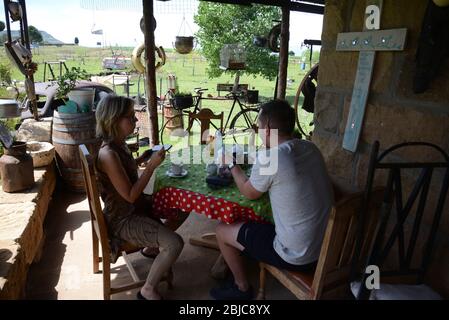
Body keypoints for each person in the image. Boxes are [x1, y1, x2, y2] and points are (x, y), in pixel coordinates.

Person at [210, 99, 334, 300]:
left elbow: (249, 192)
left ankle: (241, 288)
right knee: (258, 221)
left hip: (295, 255)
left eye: (258, 126)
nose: (257, 131)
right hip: (324, 250)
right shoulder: (310, 148)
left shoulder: (271, 158)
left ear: (267, 128)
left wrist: (232, 165)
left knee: (222, 229)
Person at [95, 94, 185, 300]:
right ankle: (147, 289)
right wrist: (151, 166)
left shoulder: (118, 144)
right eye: (130, 117)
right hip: (123, 218)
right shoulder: (108, 154)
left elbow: (122, 175)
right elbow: (129, 195)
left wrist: (140, 160)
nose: (135, 121)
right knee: (175, 243)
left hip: (135, 207)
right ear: (114, 120)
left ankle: (153, 245)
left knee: (182, 206)